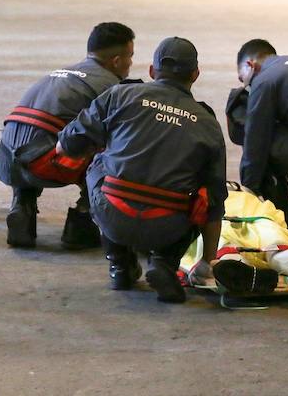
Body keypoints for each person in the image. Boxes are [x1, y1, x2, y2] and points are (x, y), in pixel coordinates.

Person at [56, 37, 227, 303]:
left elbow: (69, 144)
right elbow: (215, 199)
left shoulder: (120, 95)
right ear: (195, 75)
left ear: (151, 71)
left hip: (113, 213)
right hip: (168, 225)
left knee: (98, 162)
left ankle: (119, 265)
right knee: (201, 192)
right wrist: (207, 261)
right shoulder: (207, 123)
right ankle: (165, 262)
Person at [0, 22, 135, 249]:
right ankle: (82, 219)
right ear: (116, 61)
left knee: (38, 138)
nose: (131, 64)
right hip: (44, 165)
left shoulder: (59, 73)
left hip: (2, 160)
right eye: (130, 57)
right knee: (120, 148)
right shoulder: (112, 87)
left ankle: (23, 205)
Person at [230, 40, 288, 231]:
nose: (246, 86)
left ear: (250, 65)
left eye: (243, 79)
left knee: (263, 159)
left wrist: (248, 192)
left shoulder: (264, 80)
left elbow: (255, 144)